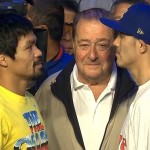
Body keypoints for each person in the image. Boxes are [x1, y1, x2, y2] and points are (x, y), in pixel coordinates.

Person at [35, 8, 137, 150]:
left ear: (115, 45)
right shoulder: (48, 91)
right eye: (84, 45)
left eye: (102, 45)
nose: (92, 55)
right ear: (74, 44)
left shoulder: (136, 92)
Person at [100, 3, 150, 150]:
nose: (115, 43)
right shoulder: (143, 96)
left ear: (141, 45)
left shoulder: (147, 104)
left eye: (122, 36)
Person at [0, 13, 48, 149]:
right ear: (3, 59)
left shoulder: (30, 99)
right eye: (29, 47)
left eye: (36, 45)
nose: (38, 52)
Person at [28, 0, 74, 93]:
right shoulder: (20, 64)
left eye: (28, 25)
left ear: (42, 29)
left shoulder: (73, 70)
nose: (23, 29)